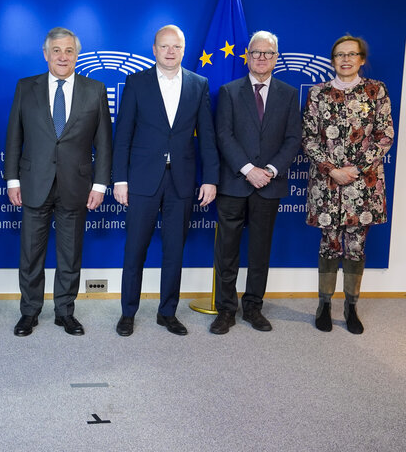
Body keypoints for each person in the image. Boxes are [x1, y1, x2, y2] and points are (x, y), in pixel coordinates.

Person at [5, 27, 112, 337]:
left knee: (70, 254)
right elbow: (14, 137)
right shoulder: (26, 87)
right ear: (46, 54)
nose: (62, 56)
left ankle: (65, 312)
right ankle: (29, 312)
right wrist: (12, 179)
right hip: (33, 183)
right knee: (30, 254)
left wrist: (100, 184)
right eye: (57, 50)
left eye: (69, 51)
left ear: (76, 55)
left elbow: (104, 142)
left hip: (76, 185)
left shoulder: (95, 89)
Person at [112, 24, 218, 337]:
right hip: (143, 179)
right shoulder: (136, 83)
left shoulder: (199, 84)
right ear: (154, 49)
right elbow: (123, 136)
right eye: (164, 46)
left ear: (184, 50)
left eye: (176, 47)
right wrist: (120, 180)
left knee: (174, 251)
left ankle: (167, 313)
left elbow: (208, 138)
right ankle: (128, 313)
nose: (170, 52)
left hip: (182, 181)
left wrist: (210, 179)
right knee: (135, 250)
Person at [210, 31, 302, 335]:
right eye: (256, 52)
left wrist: (271, 170)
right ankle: (226, 310)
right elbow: (223, 135)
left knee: (260, 251)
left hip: (270, 184)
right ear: (247, 55)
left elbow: (292, 139)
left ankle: (253, 307)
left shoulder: (289, 94)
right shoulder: (229, 91)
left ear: (276, 58)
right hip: (235, 183)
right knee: (227, 251)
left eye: (268, 53)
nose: (261, 57)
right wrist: (249, 169)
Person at [302, 35, 393, 334]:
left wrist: (354, 169)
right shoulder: (319, 93)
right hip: (327, 186)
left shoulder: (375, 91)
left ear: (362, 59)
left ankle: (351, 307)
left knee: (356, 247)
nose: (346, 59)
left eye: (352, 54)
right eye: (340, 55)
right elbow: (309, 138)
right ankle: (324, 304)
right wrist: (332, 170)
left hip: (362, 187)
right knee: (329, 246)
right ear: (333, 60)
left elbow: (385, 136)